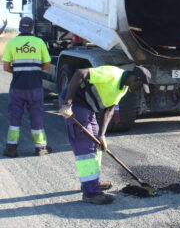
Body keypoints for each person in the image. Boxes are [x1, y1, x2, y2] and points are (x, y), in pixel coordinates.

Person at [58, 65, 150, 204]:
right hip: (75, 104)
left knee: (97, 144)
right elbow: (79, 72)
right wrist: (67, 103)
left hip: (89, 108)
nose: (138, 91)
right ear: (135, 79)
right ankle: (91, 193)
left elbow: (109, 110)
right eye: (140, 87)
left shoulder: (123, 88)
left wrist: (102, 135)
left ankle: (93, 181)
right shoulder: (112, 74)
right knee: (86, 148)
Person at [2, 17, 52, 157]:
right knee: (36, 118)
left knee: (15, 119)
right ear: (32, 28)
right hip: (35, 87)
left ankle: (11, 148)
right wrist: (34, 70)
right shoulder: (39, 42)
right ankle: (41, 148)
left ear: (19, 27)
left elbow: (6, 67)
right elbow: (47, 65)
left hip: (17, 87)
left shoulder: (12, 43)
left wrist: (18, 71)